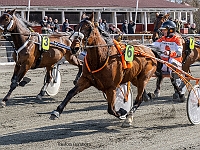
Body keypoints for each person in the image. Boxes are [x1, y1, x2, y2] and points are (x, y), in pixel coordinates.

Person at [151, 20, 186, 102]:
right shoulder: (162, 39)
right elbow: (153, 45)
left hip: (175, 63)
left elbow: (179, 53)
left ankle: (179, 89)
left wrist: (169, 53)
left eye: (164, 30)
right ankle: (155, 90)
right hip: (163, 63)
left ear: (170, 30)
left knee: (171, 62)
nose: (162, 31)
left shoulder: (177, 39)